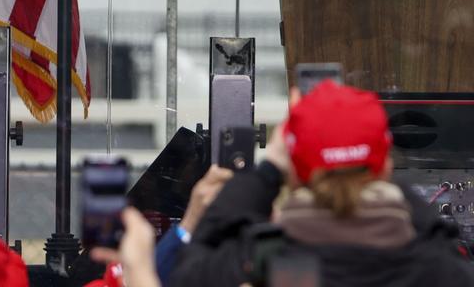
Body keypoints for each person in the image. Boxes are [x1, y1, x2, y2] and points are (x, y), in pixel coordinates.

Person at [171, 82, 474, 287]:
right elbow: (442, 243)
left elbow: (191, 271)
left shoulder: (267, 261)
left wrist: (268, 172)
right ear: (384, 166)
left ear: (294, 171)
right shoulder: (431, 267)